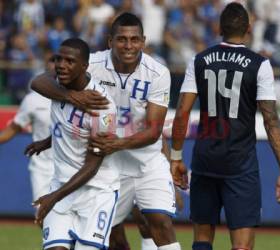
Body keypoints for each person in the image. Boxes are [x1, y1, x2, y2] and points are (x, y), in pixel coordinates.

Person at [31, 13, 181, 250]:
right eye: (122, 39)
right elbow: (41, 81)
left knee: (159, 222)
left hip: (145, 160)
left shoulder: (158, 73)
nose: (128, 46)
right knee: (112, 236)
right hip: (108, 164)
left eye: (134, 40)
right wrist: (71, 96)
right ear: (110, 41)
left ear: (143, 41)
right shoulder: (92, 63)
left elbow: (153, 131)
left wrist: (117, 144)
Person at [170, 3, 280, 250]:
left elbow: (182, 113)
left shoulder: (200, 60)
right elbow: (270, 119)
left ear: (218, 28)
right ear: (249, 28)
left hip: (205, 159)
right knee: (242, 245)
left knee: (201, 240)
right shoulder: (260, 64)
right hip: (240, 163)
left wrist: (175, 157)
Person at [29, 38, 119, 250]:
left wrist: (53, 197)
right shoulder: (58, 84)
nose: (61, 65)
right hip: (61, 185)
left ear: (84, 67)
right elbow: (37, 82)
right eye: (58, 59)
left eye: (69, 61)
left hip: (96, 192)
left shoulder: (102, 106)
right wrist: (49, 140)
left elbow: (92, 165)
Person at [0, 54, 55, 202]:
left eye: (62, 60)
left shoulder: (79, 97)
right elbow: (13, 128)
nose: (58, 64)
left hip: (71, 167)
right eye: (53, 60)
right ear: (45, 67)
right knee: (43, 215)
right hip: (42, 168)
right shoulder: (32, 100)